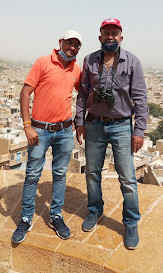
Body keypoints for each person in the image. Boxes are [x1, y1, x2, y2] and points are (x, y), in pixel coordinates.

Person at [76, 18, 148, 250]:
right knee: (92, 172)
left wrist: (138, 130)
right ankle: (94, 210)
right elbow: (82, 93)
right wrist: (80, 122)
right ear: (99, 37)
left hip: (121, 126)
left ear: (121, 37)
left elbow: (140, 97)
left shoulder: (132, 62)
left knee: (127, 177)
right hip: (94, 124)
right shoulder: (89, 60)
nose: (110, 37)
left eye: (114, 33)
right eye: (106, 33)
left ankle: (130, 222)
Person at [11, 30, 82, 244]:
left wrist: (79, 123)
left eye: (76, 45)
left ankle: (56, 216)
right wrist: (27, 126)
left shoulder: (76, 69)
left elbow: (84, 95)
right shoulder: (42, 62)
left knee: (60, 174)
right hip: (40, 130)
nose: (72, 48)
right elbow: (25, 93)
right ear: (61, 42)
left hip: (64, 131)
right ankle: (25, 218)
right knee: (32, 174)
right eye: (69, 43)